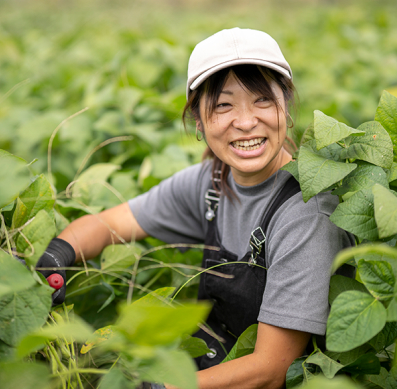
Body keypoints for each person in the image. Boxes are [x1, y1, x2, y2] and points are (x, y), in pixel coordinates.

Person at [36, 28, 355, 389]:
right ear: (199, 123)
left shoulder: (307, 213)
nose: (246, 121)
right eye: (223, 105)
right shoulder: (213, 182)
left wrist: (159, 388)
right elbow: (112, 222)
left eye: (263, 100)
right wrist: (56, 256)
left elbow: (270, 370)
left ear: (287, 107)